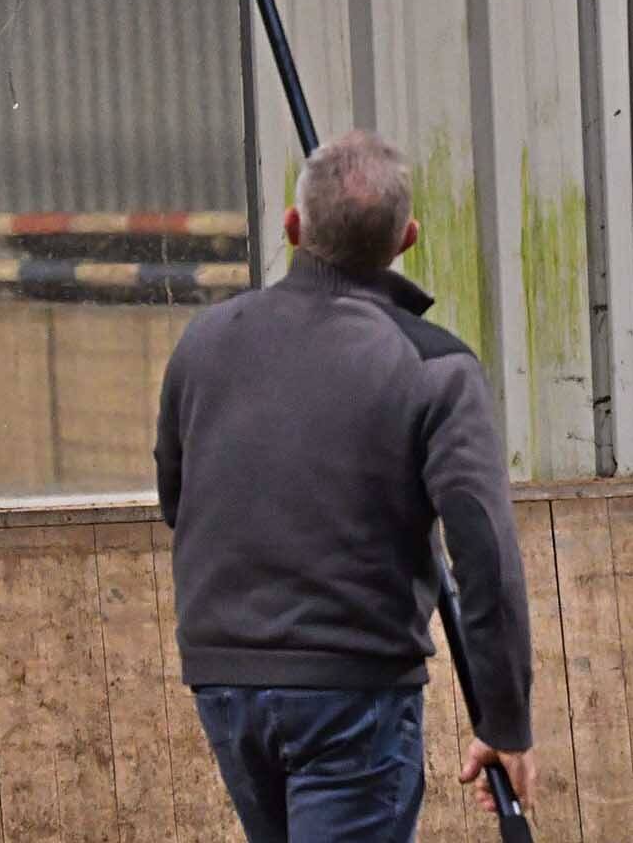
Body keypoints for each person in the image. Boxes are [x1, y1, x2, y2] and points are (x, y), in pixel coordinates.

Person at [155, 130, 536, 840]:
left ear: (294, 228)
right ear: (408, 239)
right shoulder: (436, 367)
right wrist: (505, 721)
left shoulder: (203, 343)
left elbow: (179, 501)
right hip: (351, 688)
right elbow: (484, 553)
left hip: (224, 681)